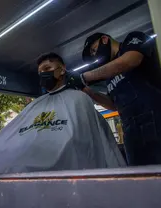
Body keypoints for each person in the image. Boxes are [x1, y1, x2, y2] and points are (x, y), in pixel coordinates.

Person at [0, 53, 125, 175]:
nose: (43, 74)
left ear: (62, 70)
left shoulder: (79, 100)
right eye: (40, 71)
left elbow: (95, 144)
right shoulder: (37, 105)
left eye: (47, 69)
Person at [66, 31, 161, 166]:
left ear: (105, 39)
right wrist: (84, 89)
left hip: (156, 120)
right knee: (140, 177)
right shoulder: (110, 76)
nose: (95, 55)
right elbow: (113, 105)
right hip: (131, 131)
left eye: (94, 50)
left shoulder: (133, 41)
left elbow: (131, 60)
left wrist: (84, 77)